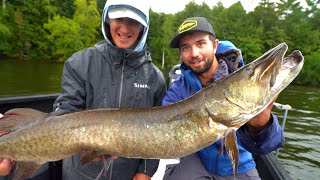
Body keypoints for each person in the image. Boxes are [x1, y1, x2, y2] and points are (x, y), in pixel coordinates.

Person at [0, 0, 167, 179]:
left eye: (133, 21)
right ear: (107, 20)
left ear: (144, 26)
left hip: (125, 174)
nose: (125, 29)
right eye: (119, 18)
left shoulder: (155, 78)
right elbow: (65, 112)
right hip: (80, 173)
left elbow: (156, 133)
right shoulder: (79, 63)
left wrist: (145, 171)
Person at [162, 17, 284, 180]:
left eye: (200, 43)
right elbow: (164, 131)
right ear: (181, 54)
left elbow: (266, 146)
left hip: (239, 164)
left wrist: (261, 126)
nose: (194, 54)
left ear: (215, 45)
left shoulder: (240, 79)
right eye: (186, 47)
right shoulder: (179, 89)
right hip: (198, 160)